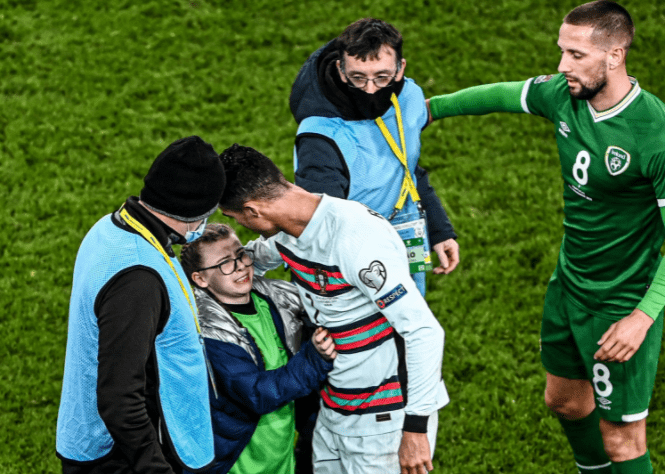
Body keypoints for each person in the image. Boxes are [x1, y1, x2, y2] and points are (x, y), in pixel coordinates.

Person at [427, 2, 665, 473]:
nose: (562, 66)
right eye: (562, 51)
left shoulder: (657, 136)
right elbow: (503, 94)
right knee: (566, 402)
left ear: (614, 55)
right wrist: (429, 110)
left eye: (576, 55)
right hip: (569, 285)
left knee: (622, 440)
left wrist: (641, 318)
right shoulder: (565, 95)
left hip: (621, 302)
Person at [217, 144, 449, 474]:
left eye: (233, 218)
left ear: (252, 211)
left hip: (384, 421)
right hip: (334, 410)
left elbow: (424, 331)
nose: (239, 226)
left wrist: (415, 428)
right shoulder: (290, 233)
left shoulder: (356, 239)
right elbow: (248, 262)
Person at [56, 136, 226, 473]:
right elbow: (119, 399)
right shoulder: (138, 281)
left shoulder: (111, 227)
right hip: (123, 458)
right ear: (195, 213)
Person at [289, 17, 460, 296]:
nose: (371, 89)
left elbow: (407, 168)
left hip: (405, 232)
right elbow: (322, 226)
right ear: (340, 70)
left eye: (382, 76)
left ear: (400, 68)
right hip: (351, 256)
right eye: (358, 77)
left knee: (410, 318)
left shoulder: (409, 97)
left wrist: (438, 230)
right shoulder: (319, 137)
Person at [178, 222, 336, 474]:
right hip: (237, 462)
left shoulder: (275, 298)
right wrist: (315, 358)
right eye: (224, 263)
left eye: (240, 254)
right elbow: (258, 394)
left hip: (282, 456)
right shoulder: (208, 332)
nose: (240, 266)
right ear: (200, 278)